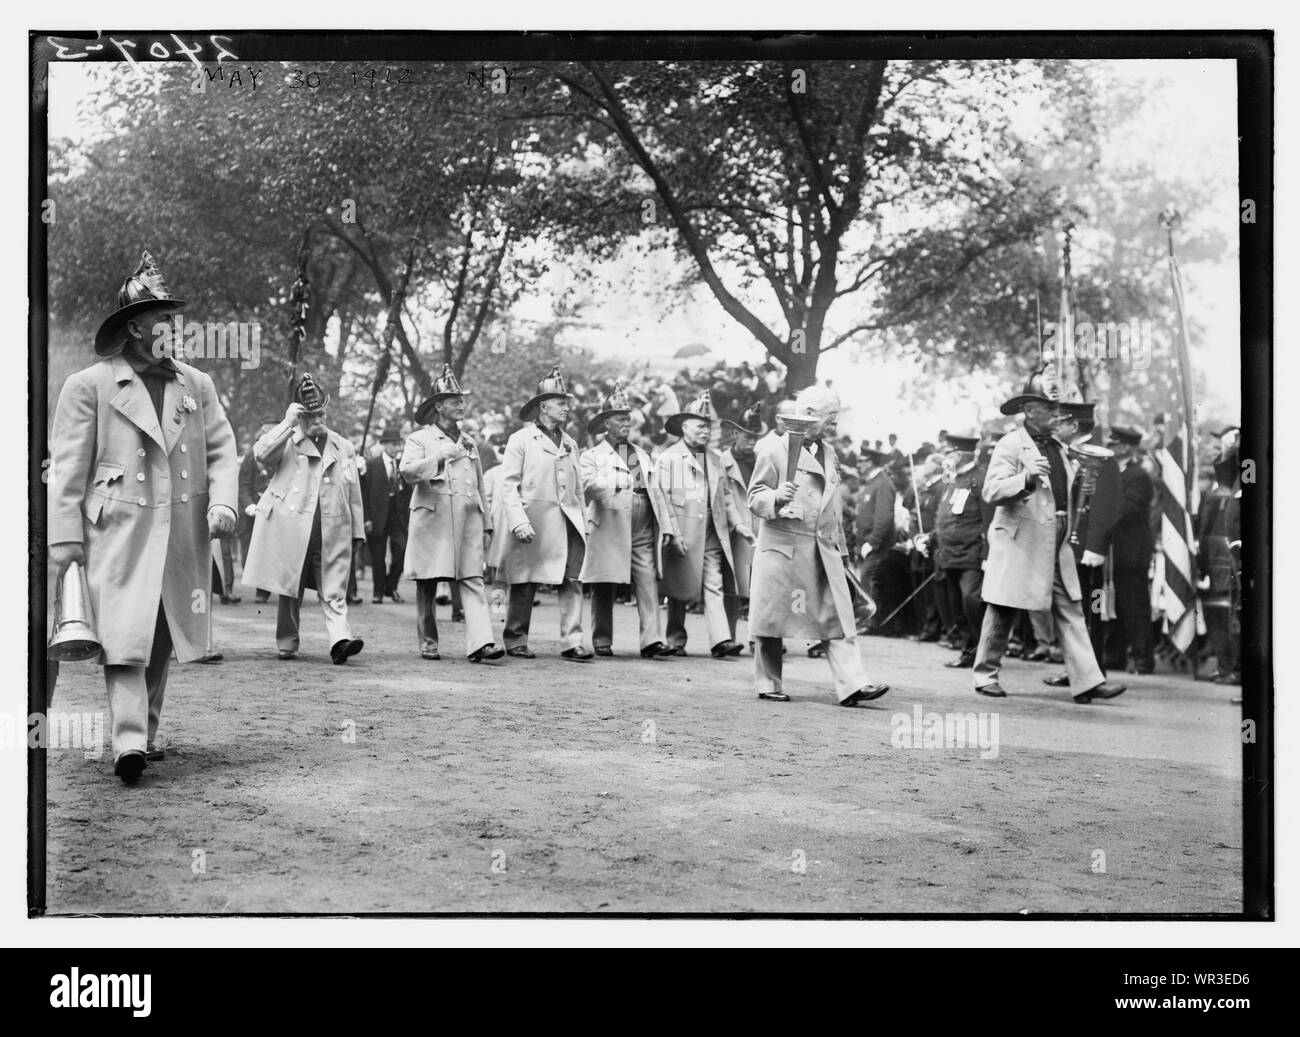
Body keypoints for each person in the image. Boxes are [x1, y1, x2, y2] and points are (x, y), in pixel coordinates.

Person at [48, 251, 239, 781]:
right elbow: (66, 469)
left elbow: (223, 449)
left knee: (160, 632)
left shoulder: (196, 384)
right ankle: (127, 740)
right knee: (123, 635)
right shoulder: (89, 385)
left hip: (179, 528)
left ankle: (145, 734)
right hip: (116, 529)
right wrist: (66, 541)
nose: (174, 329)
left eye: (175, 319)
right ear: (134, 327)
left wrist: (223, 501)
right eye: (162, 319)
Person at [972, 369, 1127, 703]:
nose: (1058, 413)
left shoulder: (1058, 446)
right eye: (1050, 407)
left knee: (1070, 607)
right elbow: (992, 490)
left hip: (1055, 540)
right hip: (1020, 539)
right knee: (1003, 606)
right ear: (1029, 411)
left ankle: (1087, 680)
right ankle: (985, 675)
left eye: (1058, 406)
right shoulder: (1010, 444)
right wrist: (1026, 479)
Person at [747, 386, 888, 706]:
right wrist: (775, 498)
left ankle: (853, 684)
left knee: (838, 616)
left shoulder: (829, 452)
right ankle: (768, 682)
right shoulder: (772, 449)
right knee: (772, 620)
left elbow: (832, 507)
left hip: (823, 550)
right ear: (809, 416)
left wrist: (842, 551)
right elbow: (754, 497)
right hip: (784, 547)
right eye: (831, 418)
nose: (835, 425)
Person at [242, 374, 366, 664]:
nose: (318, 419)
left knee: (334, 586)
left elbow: (353, 491)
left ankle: (339, 641)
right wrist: (287, 423)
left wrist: (357, 530)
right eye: (311, 414)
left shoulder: (343, 446)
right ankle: (287, 642)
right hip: (293, 527)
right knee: (290, 587)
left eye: (321, 412)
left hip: (332, 527)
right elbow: (260, 454)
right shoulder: (287, 440)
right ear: (300, 414)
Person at [399, 365, 503, 663]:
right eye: (453, 399)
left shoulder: (469, 441)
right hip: (433, 518)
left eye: (461, 399)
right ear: (438, 406)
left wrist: (486, 522)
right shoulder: (420, 440)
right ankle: (428, 641)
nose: (460, 404)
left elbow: (481, 485)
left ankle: (481, 643)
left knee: (472, 580)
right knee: (429, 582)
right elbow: (406, 472)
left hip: (468, 518)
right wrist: (439, 457)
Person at [490, 366, 593, 661]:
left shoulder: (571, 443)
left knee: (572, 579)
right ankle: (516, 637)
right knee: (525, 579)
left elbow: (578, 491)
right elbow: (508, 485)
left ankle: (573, 641)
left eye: (566, 401)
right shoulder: (520, 439)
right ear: (543, 406)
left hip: (568, 521)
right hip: (533, 518)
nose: (567, 407)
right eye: (560, 402)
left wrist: (583, 522)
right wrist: (518, 521)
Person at [579, 383, 676, 658]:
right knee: (605, 580)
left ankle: (652, 640)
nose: (626, 422)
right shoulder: (593, 456)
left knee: (647, 579)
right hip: (609, 520)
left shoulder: (642, 453)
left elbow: (657, 492)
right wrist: (611, 481)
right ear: (605, 423)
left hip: (643, 520)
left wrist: (666, 525)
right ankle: (601, 638)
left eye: (627, 417)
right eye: (619, 418)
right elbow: (586, 488)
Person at [656, 392, 748, 658]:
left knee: (714, 581)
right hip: (682, 528)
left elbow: (726, 496)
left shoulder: (716, 458)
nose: (705, 431)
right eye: (700, 426)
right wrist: (671, 530)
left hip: (712, 529)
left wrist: (738, 524)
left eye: (708, 426)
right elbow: (663, 498)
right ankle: (675, 639)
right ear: (685, 427)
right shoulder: (669, 458)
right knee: (678, 585)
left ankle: (721, 640)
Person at [1042, 401, 1121, 688]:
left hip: (1089, 552)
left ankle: (1094, 672)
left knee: (1093, 612)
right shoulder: (1067, 455)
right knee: (1073, 612)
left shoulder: (1103, 458)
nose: (1056, 426)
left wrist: (1096, 546)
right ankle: (1077, 670)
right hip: (1069, 549)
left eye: (1060, 421)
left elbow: (1108, 505)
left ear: (1074, 425)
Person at [924, 429, 992, 669]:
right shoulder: (950, 481)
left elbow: (989, 520)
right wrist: (931, 538)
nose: (944, 456)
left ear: (961, 454)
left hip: (972, 554)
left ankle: (984, 651)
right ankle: (969, 651)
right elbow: (946, 518)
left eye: (949, 451)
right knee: (955, 607)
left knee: (971, 601)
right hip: (948, 554)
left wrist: (986, 554)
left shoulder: (982, 479)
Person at [1103, 425, 1156, 674]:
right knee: (1115, 608)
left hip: (1131, 553)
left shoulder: (1138, 476)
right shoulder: (1113, 472)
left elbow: (1127, 509)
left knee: (1135, 608)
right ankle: (1115, 655)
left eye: (1112, 445)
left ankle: (1142, 658)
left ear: (1124, 447)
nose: (1109, 448)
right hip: (1114, 553)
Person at [720, 403, 765, 643]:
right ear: (735, 433)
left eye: (755, 437)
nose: (751, 441)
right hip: (735, 530)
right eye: (747, 435)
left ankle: (758, 638)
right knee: (733, 586)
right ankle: (729, 637)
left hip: (759, 528)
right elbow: (723, 499)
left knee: (761, 586)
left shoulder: (762, 460)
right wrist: (736, 523)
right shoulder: (721, 461)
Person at [363, 426, 410, 604]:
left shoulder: (403, 465)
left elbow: (408, 493)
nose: (397, 448)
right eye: (393, 444)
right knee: (378, 557)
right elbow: (365, 493)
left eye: (399, 444)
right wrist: (366, 518)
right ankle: (378, 592)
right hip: (377, 516)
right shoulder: (372, 465)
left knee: (402, 551)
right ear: (384, 445)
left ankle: (391, 586)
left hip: (397, 516)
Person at [855, 445, 895, 633]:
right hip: (866, 542)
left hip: (876, 545)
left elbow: (883, 517)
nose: (859, 464)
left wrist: (873, 542)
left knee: (869, 580)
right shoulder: (872, 482)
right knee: (866, 580)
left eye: (862, 461)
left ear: (870, 462)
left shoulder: (883, 484)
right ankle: (868, 620)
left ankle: (871, 623)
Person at [238, 418, 277, 602]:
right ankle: (261, 590)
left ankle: (273, 590)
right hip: (254, 511)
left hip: (277, 512)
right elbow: (243, 485)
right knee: (254, 554)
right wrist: (248, 505)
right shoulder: (251, 456)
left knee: (274, 552)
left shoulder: (285, 455)